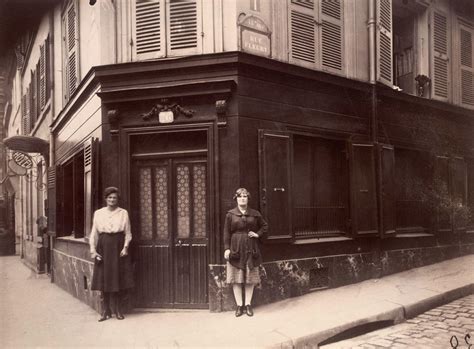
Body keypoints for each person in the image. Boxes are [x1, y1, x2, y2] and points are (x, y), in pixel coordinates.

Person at [90, 187, 134, 321]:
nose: (112, 200)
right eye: (109, 197)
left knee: (118, 279)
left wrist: (125, 247)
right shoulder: (98, 213)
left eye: (114, 197)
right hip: (103, 246)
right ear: (105, 199)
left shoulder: (123, 213)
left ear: (117, 199)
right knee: (104, 279)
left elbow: (128, 233)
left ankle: (118, 310)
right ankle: (105, 311)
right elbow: (94, 233)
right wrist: (93, 250)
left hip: (118, 246)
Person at [224, 188, 267, 317]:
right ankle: (239, 306)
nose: (242, 198)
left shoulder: (255, 214)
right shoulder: (230, 214)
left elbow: (264, 226)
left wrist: (257, 234)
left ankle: (248, 304)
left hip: (250, 248)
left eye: (245, 196)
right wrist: (227, 248)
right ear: (236, 199)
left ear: (248, 198)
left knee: (250, 278)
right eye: (240, 196)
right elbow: (226, 233)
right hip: (235, 248)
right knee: (236, 279)